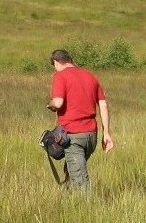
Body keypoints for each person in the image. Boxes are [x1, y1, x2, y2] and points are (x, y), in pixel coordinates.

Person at [46, 48, 114, 192]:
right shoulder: (90, 76)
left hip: (72, 136)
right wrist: (106, 133)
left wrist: (50, 104)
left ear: (57, 62)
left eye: (54, 67)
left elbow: (57, 103)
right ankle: (69, 202)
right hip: (91, 136)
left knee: (81, 181)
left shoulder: (61, 76)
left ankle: (88, 209)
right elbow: (103, 104)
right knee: (72, 171)